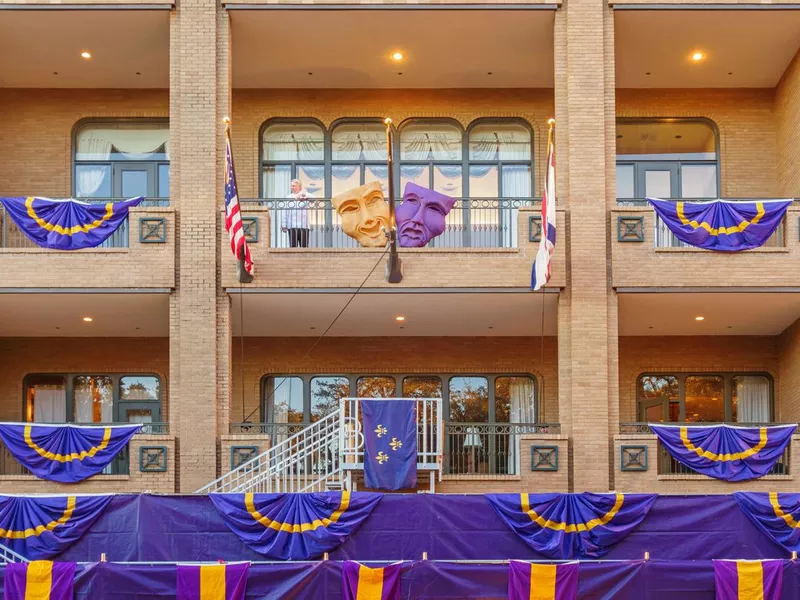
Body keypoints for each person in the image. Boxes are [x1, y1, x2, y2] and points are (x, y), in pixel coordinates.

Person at [282, 179, 312, 248]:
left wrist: (300, 194)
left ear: (300, 187)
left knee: (304, 247)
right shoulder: (288, 197)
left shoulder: (305, 195)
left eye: (294, 186)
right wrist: (284, 224)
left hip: (304, 225)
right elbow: (284, 212)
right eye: (291, 186)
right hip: (292, 225)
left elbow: (314, 198)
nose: (292, 187)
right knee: (293, 247)